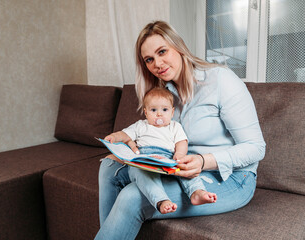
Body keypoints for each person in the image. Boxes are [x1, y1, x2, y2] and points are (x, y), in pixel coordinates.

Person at [95, 20, 266, 240]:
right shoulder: (164, 95)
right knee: (109, 166)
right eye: (149, 59)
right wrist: (133, 149)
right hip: (180, 169)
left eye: (162, 51)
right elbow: (164, 138)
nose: (157, 63)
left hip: (233, 177)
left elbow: (256, 148)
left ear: (178, 46)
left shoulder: (222, 80)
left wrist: (204, 161)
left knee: (132, 196)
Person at [104, 87, 217, 214]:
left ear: (172, 112)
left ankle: (197, 192)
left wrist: (179, 155)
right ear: (146, 113)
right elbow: (125, 135)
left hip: (168, 158)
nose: (159, 114)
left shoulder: (175, 126)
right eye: (153, 110)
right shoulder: (141, 125)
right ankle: (161, 200)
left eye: (164, 110)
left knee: (187, 169)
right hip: (145, 160)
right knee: (142, 173)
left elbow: (182, 142)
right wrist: (114, 137)